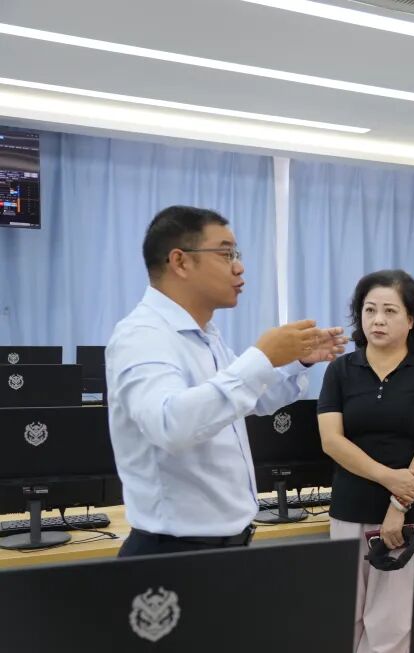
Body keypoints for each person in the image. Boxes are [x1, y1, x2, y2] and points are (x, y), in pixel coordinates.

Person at [107, 205, 346, 558]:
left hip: (225, 545)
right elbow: (170, 425)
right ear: (181, 262)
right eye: (226, 254)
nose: (239, 266)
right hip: (173, 552)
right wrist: (261, 356)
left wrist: (299, 359)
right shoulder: (143, 336)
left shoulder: (206, 335)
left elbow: (254, 399)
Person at [317, 269, 414, 653]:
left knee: (391, 621)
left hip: (408, 512)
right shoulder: (340, 371)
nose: (377, 320)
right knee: (344, 613)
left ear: (411, 320)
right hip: (349, 506)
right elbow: (332, 441)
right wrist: (387, 476)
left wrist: (398, 505)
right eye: (369, 310)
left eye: (390, 311)